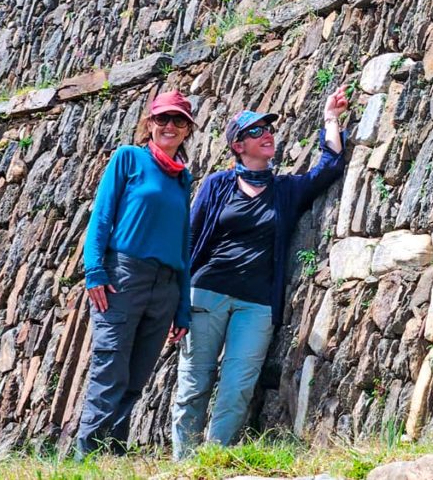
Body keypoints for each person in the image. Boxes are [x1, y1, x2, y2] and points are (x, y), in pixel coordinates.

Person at [172, 88, 348, 459]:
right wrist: (176, 302)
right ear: (237, 145)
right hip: (206, 294)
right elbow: (187, 242)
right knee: (193, 385)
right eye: (255, 132)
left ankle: (211, 460)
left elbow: (329, 166)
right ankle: (182, 464)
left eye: (268, 130)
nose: (267, 135)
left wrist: (330, 118)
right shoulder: (217, 185)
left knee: (238, 386)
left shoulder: (284, 190)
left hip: (256, 305)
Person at [78, 90, 197, 457]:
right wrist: (95, 271)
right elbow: (102, 217)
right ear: (150, 124)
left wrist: (182, 306)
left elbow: (183, 244)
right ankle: (85, 458)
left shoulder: (183, 179)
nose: (170, 126)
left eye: (179, 121)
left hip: (165, 286)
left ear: (188, 130)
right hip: (123, 276)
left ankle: (112, 455)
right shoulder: (128, 159)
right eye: (163, 119)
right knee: (110, 368)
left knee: (137, 373)